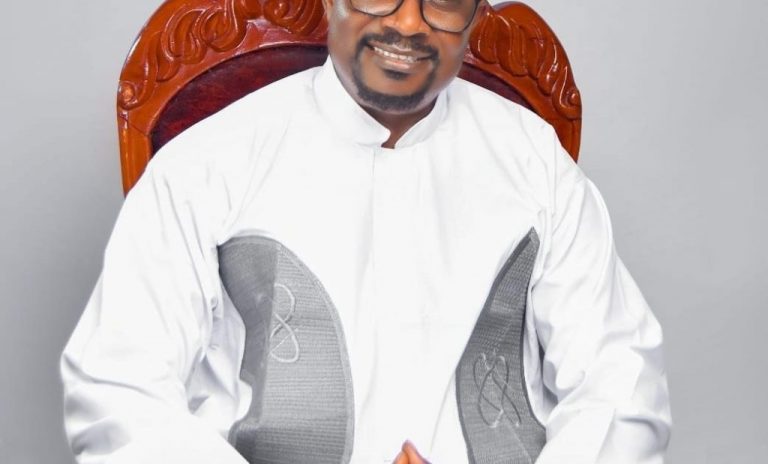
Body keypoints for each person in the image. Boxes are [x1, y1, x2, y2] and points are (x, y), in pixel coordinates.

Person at [61, 0, 672, 462]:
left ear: (477, 13)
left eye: (442, 1)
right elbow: (118, 387)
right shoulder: (208, 161)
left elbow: (621, 377)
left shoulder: (535, 161)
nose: (407, 23)